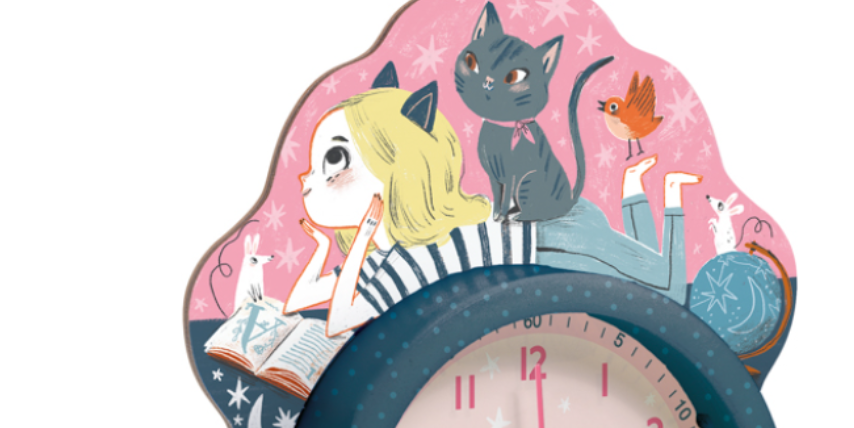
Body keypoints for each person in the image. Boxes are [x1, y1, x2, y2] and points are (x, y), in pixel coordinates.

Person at [284, 79, 700, 337]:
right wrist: (323, 247)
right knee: (653, 287)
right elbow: (299, 299)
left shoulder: (403, 261)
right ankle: (635, 189)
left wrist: (360, 240)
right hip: (548, 246)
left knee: (668, 293)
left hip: (554, 245)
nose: (306, 179)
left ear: (397, 164)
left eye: (334, 162)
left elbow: (340, 320)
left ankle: (665, 194)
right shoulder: (385, 259)